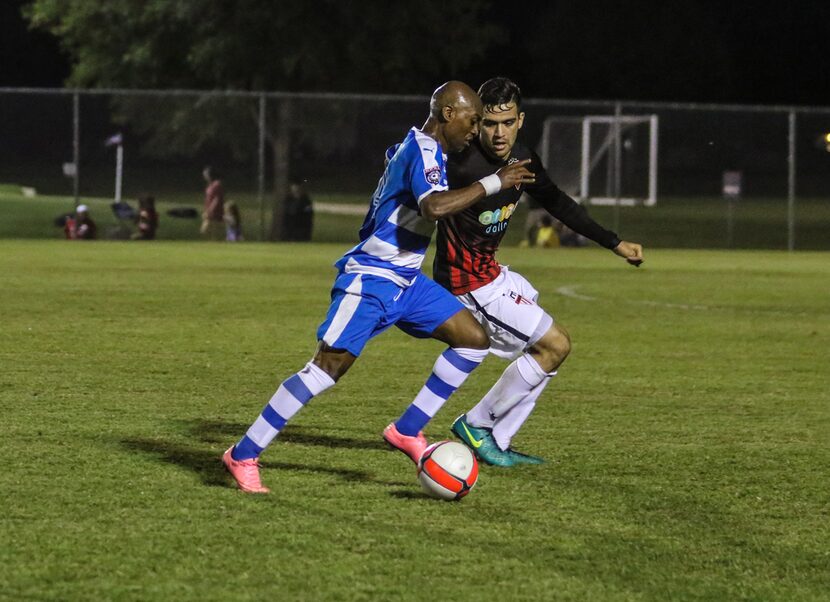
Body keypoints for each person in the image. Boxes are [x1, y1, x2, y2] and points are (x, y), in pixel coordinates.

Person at [222, 81, 535, 494]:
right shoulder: (423, 150)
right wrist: (496, 181)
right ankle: (243, 454)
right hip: (372, 278)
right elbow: (434, 207)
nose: (476, 130)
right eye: (473, 120)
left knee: (473, 340)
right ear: (447, 114)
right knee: (325, 369)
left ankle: (408, 431)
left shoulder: (425, 149)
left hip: (406, 281)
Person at [434, 77, 644, 466]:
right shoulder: (459, 162)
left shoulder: (523, 158)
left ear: (520, 120)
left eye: (507, 122)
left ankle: (496, 438)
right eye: (490, 123)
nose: (499, 133)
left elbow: (557, 202)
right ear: (477, 122)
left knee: (544, 348)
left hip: (492, 275)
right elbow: (426, 194)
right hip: (467, 285)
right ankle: (477, 425)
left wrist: (613, 242)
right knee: (556, 344)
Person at [200, 166, 225, 240]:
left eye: (206, 174)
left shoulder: (217, 184)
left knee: (208, 231)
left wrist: (210, 210)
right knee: (206, 231)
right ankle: (211, 245)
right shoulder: (210, 185)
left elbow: (217, 199)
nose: (204, 176)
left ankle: (216, 244)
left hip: (215, 211)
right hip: (209, 211)